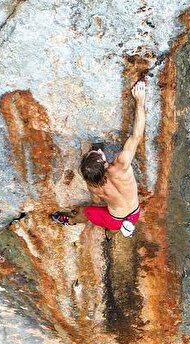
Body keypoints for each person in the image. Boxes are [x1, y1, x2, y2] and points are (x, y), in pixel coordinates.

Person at [51, 80, 146, 237]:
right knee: (95, 212)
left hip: (115, 220)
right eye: (98, 153)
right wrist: (140, 100)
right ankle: (107, 229)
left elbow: (96, 203)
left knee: (87, 211)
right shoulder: (122, 165)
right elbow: (137, 136)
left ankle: (71, 220)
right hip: (134, 214)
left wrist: (105, 196)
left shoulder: (94, 187)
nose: (99, 150)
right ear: (105, 163)